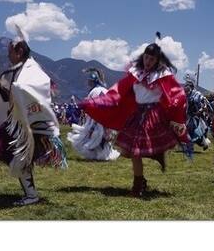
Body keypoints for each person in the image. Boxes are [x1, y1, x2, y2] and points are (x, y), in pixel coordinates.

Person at [80, 33, 188, 196]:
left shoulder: (163, 75)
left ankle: (138, 185)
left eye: (152, 59)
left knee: (136, 151)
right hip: (136, 115)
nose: (148, 61)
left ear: (157, 60)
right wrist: (98, 102)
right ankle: (145, 173)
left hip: (153, 116)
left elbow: (177, 94)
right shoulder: (135, 73)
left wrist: (175, 113)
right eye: (146, 57)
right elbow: (118, 90)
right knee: (127, 152)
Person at [0, 31, 67, 205]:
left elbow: (35, 87)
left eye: (10, 52)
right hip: (23, 123)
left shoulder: (31, 70)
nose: (8, 56)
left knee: (9, 150)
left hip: (31, 124)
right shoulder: (23, 69)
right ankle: (30, 193)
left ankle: (31, 195)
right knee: (1, 146)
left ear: (20, 51)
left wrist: (17, 90)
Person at [68, 68, 120, 161]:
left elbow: (90, 106)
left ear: (93, 81)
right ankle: (103, 155)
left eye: (89, 81)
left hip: (96, 120)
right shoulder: (106, 90)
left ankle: (96, 155)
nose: (88, 82)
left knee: (93, 137)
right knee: (103, 138)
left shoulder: (94, 91)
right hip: (106, 119)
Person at [184, 75, 212, 150]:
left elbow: (205, 102)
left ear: (192, 87)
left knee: (197, 130)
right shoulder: (186, 95)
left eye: (189, 86)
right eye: (186, 86)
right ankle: (191, 145)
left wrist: (201, 109)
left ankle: (202, 143)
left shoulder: (198, 94)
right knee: (189, 130)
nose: (187, 87)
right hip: (189, 115)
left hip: (197, 115)